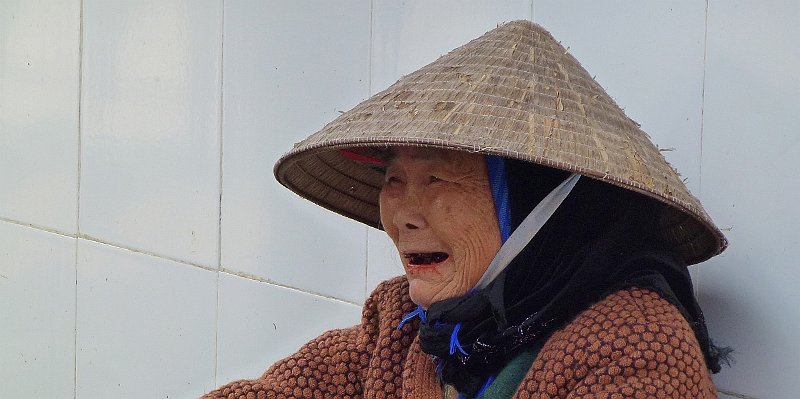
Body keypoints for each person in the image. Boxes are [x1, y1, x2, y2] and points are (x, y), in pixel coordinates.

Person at [204, 20, 729, 398]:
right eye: (393, 179)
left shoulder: (633, 352)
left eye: (435, 178)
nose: (403, 215)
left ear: (533, 208)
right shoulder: (404, 327)